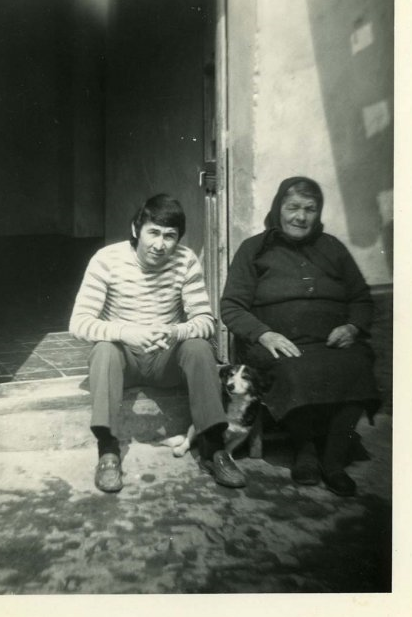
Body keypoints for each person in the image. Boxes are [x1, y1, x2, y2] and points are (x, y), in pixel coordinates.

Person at [69, 193, 246, 493]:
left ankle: (214, 450)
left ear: (178, 239)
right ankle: (108, 453)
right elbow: (78, 323)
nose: (160, 244)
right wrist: (126, 332)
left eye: (170, 236)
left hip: (165, 360)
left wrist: (175, 331)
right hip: (124, 361)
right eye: (153, 232)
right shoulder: (106, 260)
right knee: (104, 350)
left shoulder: (185, 260)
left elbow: (206, 321)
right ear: (136, 229)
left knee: (199, 347)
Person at [220, 177, 380, 497]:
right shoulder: (254, 249)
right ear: (278, 208)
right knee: (293, 369)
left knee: (358, 364)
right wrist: (264, 334)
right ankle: (304, 450)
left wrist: (352, 327)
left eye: (310, 209)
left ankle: (333, 460)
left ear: (318, 213)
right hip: (277, 343)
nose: (301, 216)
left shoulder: (333, 247)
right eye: (293, 207)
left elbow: (361, 298)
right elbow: (232, 306)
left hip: (331, 343)